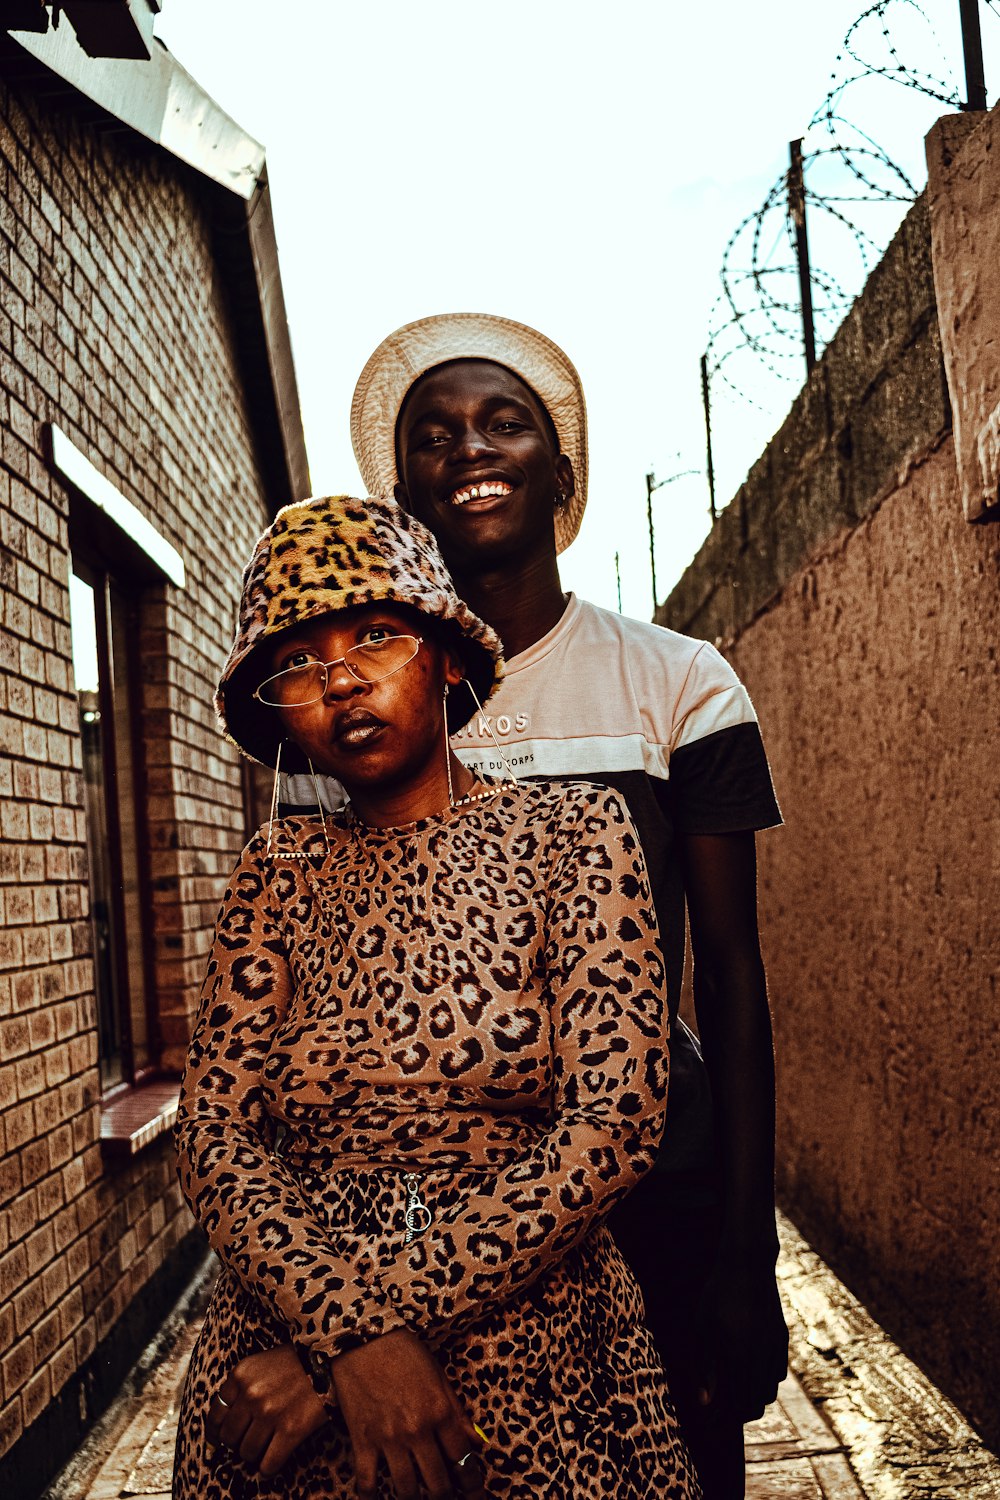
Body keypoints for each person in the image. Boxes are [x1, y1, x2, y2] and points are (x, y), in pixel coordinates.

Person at [172, 492, 702, 1500]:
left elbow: (615, 1126)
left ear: (449, 658)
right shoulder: (277, 869)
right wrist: (344, 1325)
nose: (338, 677)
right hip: (273, 1357)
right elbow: (214, 1134)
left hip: (531, 1350)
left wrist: (347, 1349)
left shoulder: (573, 837)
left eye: (376, 635)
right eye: (297, 659)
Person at [342, 314, 789, 1499]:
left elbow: (733, 985)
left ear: (561, 471)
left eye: (503, 422)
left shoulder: (678, 680)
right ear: (405, 499)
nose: (469, 448)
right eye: (433, 436)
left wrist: (748, 1252)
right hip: (433, 1221)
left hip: (658, 1196)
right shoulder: (364, 710)